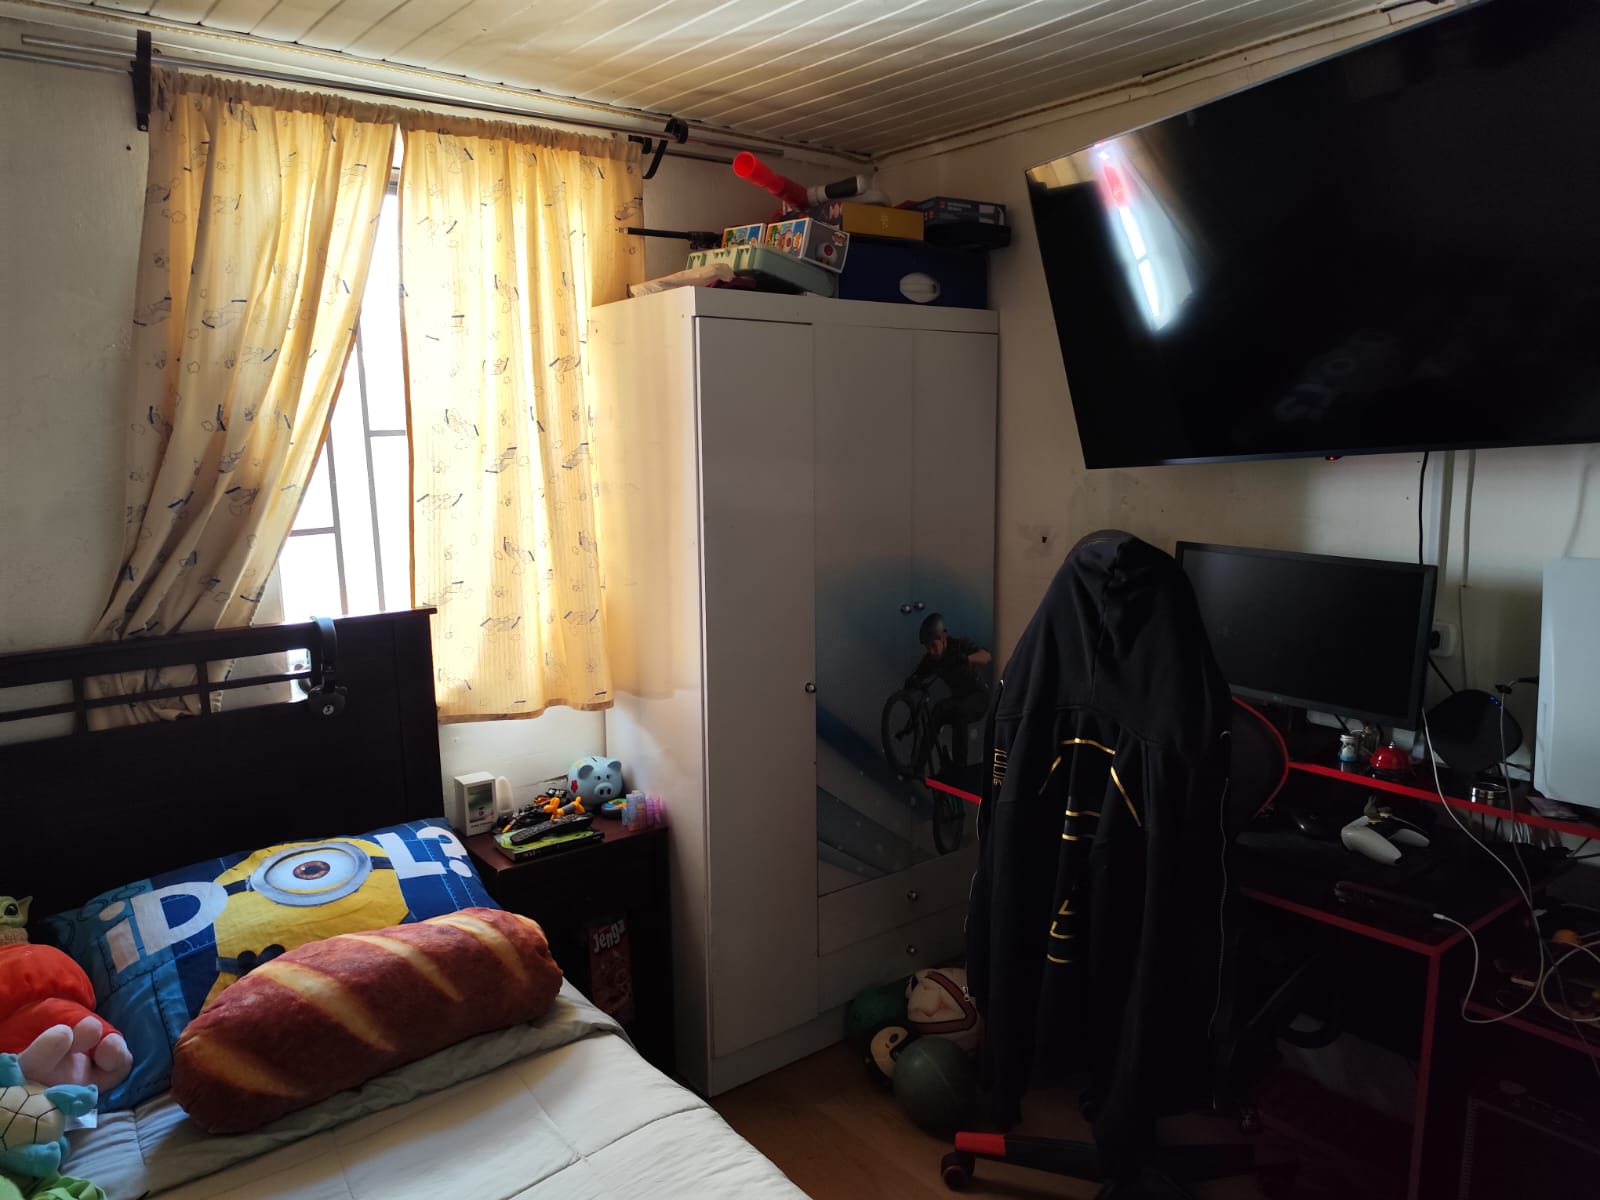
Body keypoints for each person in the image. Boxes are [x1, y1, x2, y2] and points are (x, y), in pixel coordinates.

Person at [907, 613, 992, 770]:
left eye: (933, 646)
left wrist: (965, 659)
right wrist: (911, 682)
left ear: (943, 638)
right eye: (928, 648)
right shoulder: (931, 659)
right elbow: (917, 675)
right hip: (959, 699)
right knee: (938, 711)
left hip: (979, 697)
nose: (931, 652)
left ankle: (960, 767)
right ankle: (917, 765)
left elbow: (986, 656)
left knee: (960, 712)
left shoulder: (958, 645)